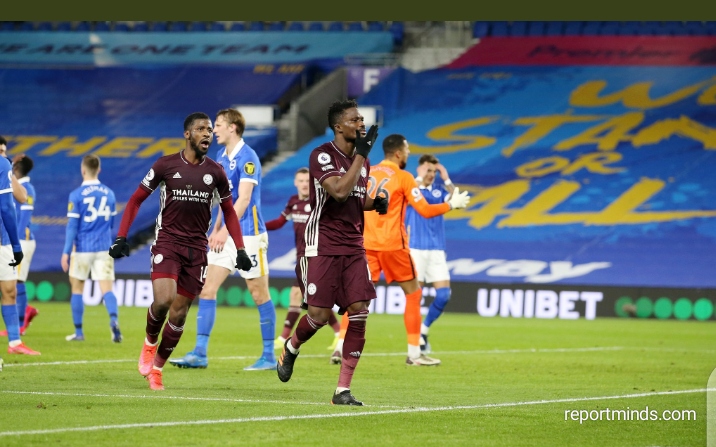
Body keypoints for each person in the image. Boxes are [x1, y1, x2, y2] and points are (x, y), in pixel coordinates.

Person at [109, 112, 252, 391]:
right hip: (168, 243)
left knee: (179, 315)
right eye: (201, 129)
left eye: (209, 129)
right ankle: (150, 342)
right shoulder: (166, 165)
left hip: (197, 250)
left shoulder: (216, 172)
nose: (207, 134)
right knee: (163, 300)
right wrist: (121, 236)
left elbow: (229, 212)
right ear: (187, 134)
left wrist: (241, 249)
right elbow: (136, 199)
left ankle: (157, 369)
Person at [275, 99, 387, 406]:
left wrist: (374, 203)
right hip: (322, 244)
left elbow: (355, 195)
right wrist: (361, 155)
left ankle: (342, 390)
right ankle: (292, 347)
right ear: (338, 127)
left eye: (362, 119)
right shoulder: (322, 155)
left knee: (360, 311)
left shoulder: (362, 161)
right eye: (354, 120)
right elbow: (338, 191)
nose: (361, 124)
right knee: (319, 316)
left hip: (354, 246)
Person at [340, 134, 469, 367]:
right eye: (407, 149)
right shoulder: (403, 176)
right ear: (398, 153)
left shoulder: (367, 171)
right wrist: (452, 204)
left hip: (366, 245)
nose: (408, 153)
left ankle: (340, 348)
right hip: (393, 246)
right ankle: (415, 354)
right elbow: (425, 210)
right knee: (413, 294)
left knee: (357, 297)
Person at [170, 108, 276, 371]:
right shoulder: (220, 156)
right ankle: (199, 353)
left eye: (217, 125)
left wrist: (225, 231)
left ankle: (269, 356)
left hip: (249, 235)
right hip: (227, 234)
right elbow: (224, 199)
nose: (213, 130)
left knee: (258, 293)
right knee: (207, 288)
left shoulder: (248, 157)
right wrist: (215, 227)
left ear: (232, 127)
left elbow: (244, 199)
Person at [264, 167, 342, 353]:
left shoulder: (319, 200)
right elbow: (279, 222)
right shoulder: (293, 201)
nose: (304, 184)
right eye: (301, 181)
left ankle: (284, 337)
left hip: (315, 255)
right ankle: (339, 332)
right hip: (301, 257)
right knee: (311, 298)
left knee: (298, 294)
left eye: (307, 181)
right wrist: (260, 225)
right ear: (295, 183)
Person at [61, 155, 123, 343]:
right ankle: (114, 321)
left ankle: (79, 332)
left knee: (77, 288)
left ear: (83, 170)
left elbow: (72, 226)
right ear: (99, 170)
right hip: (104, 247)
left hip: (82, 248)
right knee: (107, 289)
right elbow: (111, 223)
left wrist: (66, 252)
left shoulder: (76, 195)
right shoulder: (109, 193)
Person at [405, 154, 457, 354]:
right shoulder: (412, 187)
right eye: (428, 170)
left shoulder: (439, 190)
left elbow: (457, 200)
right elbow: (410, 193)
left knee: (444, 296)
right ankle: (415, 340)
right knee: (415, 296)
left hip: (437, 250)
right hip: (416, 249)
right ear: (420, 170)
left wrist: (446, 178)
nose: (431, 174)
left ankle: (424, 331)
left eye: (434, 171)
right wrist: (418, 177)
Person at [0, 139, 35, 356]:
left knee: (9, 291)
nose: (3, 154)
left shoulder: (4, 166)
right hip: (6, 241)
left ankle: (14, 342)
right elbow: (6, 207)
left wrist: (8, 171)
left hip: (2, 241)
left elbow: (22, 197)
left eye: (4, 151)